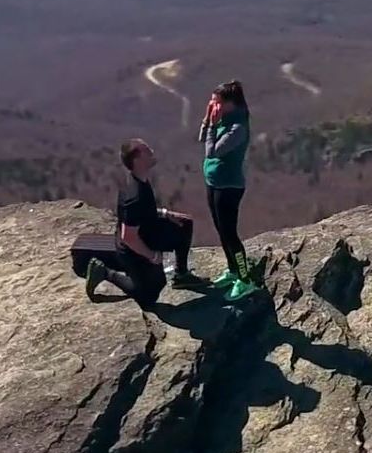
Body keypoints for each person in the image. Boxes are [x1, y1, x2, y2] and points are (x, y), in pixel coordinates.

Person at [86, 138, 198, 306]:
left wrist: (166, 214)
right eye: (146, 150)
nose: (151, 151)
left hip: (147, 232)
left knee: (184, 224)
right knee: (149, 296)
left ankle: (181, 275)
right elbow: (128, 237)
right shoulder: (135, 195)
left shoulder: (138, 180)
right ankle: (105, 272)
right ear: (137, 159)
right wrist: (152, 256)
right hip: (133, 249)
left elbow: (143, 212)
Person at [201, 80, 257, 300]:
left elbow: (212, 152)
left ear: (230, 104)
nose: (213, 105)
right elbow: (202, 138)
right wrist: (208, 119)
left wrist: (212, 126)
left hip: (229, 186)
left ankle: (245, 279)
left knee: (230, 234)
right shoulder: (222, 119)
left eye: (217, 102)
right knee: (221, 230)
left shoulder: (237, 128)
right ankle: (233, 270)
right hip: (214, 181)